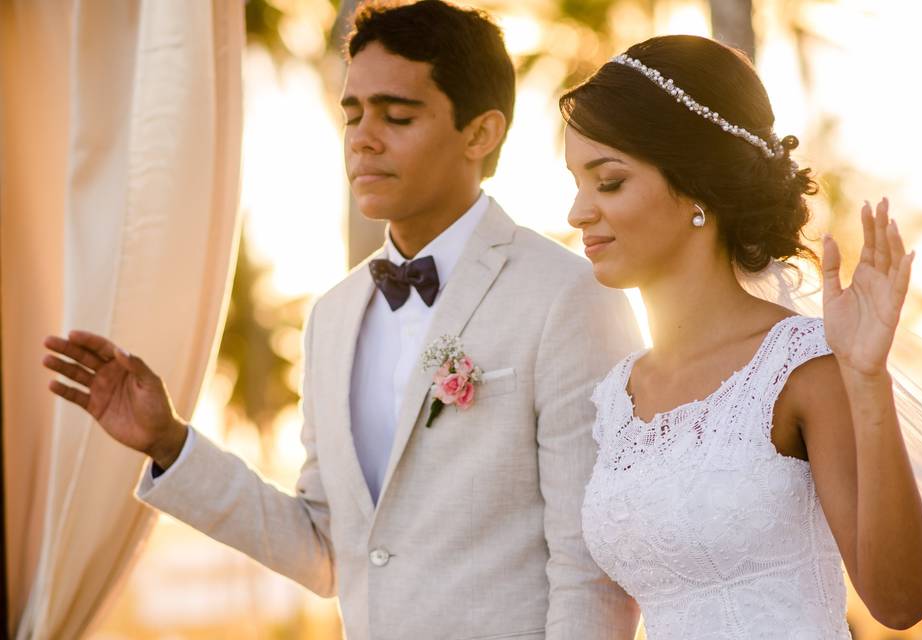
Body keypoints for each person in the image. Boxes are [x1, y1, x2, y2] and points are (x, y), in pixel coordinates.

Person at [41, 2, 642, 639]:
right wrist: (169, 442)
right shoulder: (332, 318)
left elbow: (592, 572)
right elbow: (326, 547)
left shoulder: (569, 297)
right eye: (352, 114)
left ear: (481, 133)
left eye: (397, 115)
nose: (362, 137)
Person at [563, 35, 922, 638]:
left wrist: (866, 380)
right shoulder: (616, 398)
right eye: (576, 182)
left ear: (697, 189)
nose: (578, 212)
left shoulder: (802, 368)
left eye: (607, 182)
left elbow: (898, 603)